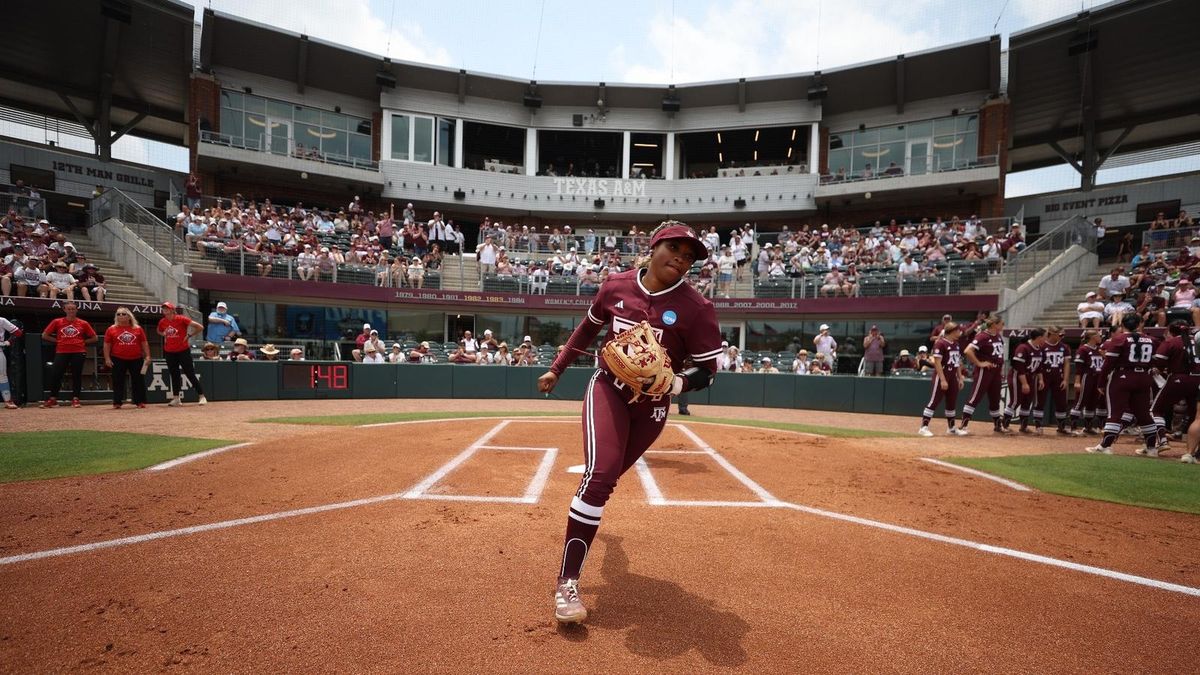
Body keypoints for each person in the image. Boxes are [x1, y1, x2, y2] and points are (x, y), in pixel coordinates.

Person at [537, 221, 722, 625]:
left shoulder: (697, 308)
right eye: (675, 248)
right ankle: (567, 582)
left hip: (652, 407)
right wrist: (557, 369)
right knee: (599, 478)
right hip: (609, 388)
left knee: (604, 483)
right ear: (654, 246)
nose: (682, 259)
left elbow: (708, 370)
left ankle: (597, 548)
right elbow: (587, 329)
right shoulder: (616, 286)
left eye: (690, 256)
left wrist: (676, 382)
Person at [1085, 314, 1159, 456]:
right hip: (1144, 377)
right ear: (1139, 324)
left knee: (1115, 412)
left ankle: (1105, 446)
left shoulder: (1119, 339)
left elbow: (1108, 363)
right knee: (1144, 414)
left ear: (1122, 325)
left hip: (1123, 377)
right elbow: (1158, 361)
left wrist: (1101, 382)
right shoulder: (1152, 340)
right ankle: (1151, 448)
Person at [39, 301, 98, 408]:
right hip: (62, 351)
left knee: (77, 375)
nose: (71, 311)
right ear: (64, 309)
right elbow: (45, 335)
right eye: (69, 309)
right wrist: (57, 341)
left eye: (73, 309)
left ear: (76, 310)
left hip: (79, 351)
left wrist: (82, 342)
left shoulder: (83, 323)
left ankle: (76, 398)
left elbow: (94, 338)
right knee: (56, 374)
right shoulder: (57, 321)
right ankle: (53, 398)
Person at [958, 315, 1006, 434]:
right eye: (1001, 323)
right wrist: (979, 363)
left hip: (996, 371)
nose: (1003, 326)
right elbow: (968, 351)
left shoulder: (998, 336)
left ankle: (997, 425)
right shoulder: (983, 336)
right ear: (994, 324)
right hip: (985, 371)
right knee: (975, 397)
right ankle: (963, 425)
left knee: (995, 398)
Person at [918, 322, 966, 436]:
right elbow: (937, 363)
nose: (959, 332)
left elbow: (957, 362)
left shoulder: (956, 343)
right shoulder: (940, 343)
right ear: (952, 331)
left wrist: (960, 378)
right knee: (934, 401)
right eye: (958, 330)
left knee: (951, 402)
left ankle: (951, 428)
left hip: (952, 375)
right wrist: (943, 379)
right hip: (942, 374)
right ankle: (923, 427)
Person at [156, 302, 207, 406]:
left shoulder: (181, 319)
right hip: (169, 351)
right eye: (163, 308)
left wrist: (189, 335)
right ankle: (176, 399)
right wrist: (163, 334)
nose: (165, 310)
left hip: (183, 350)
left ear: (172, 309)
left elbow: (200, 327)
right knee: (174, 375)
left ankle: (202, 396)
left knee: (190, 373)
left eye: (167, 308)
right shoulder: (162, 321)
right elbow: (159, 330)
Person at [103, 307, 151, 409]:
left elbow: (144, 343)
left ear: (129, 316)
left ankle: (140, 401)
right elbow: (107, 344)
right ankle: (117, 402)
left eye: (123, 314)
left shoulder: (137, 328)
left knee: (138, 380)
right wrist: (107, 358)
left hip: (136, 358)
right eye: (118, 314)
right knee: (117, 381)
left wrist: (147, 356)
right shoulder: (111, 329)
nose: (120, 316)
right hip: (117, 358)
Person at [1003, 328, 1046, 434]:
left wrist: (1041, 379)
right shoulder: (1023, 348)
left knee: (1027, 402)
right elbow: (1019, 367)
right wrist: (1024, 384)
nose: (1045, 339)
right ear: (1039, 337)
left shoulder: (1039, 348)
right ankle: (1004, 425)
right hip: (1017, 377)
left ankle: (1023, 426)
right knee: (1015, 401)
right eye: (1044, 337)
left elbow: (1039, 367)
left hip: (1031, 377)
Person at [1068, 330, 1107, 436]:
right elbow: (1079, 368)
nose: (1100, 337)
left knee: (1092, 402)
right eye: (1099, 336)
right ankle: (1073, 428)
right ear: (1093, 337)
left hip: (1097, 377)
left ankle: (1088, 427)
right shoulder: (1083, 349)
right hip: (1087, 377)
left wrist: (1104, 356)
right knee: (1080, 401)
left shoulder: (1099, 350)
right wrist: (1077, 382)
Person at [1035, 327, 1072, 434]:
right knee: (1040, 401)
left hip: (1058, 376)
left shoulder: (1064, 347)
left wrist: (1065, 379)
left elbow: (1067, 364)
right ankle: (1038, 425)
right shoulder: (1042, 346)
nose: (1061, 337)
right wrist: (1040, 378)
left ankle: (1061, 426)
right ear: (1051, 334)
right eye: (1059, 335)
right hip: (1045, 375)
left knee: (1061, 402)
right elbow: (1038, 364)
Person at [0, 314, 24, 408]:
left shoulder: (1, 320)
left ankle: (8, 401)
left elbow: (18, 332)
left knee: (2, 376)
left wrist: (8, 342)